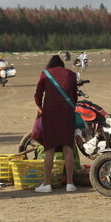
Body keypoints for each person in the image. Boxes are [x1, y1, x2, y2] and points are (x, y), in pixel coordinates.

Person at [32, 55, 77, 193]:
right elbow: (74, 97)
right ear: (62, 65)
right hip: (67, 113)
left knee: (49, 149)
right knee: (67, 148)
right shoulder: (71, 74)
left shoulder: (45, 74)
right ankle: (70, 183)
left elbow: (37, 95)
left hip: (50, 114)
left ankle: (47, 184)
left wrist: (40, 107)